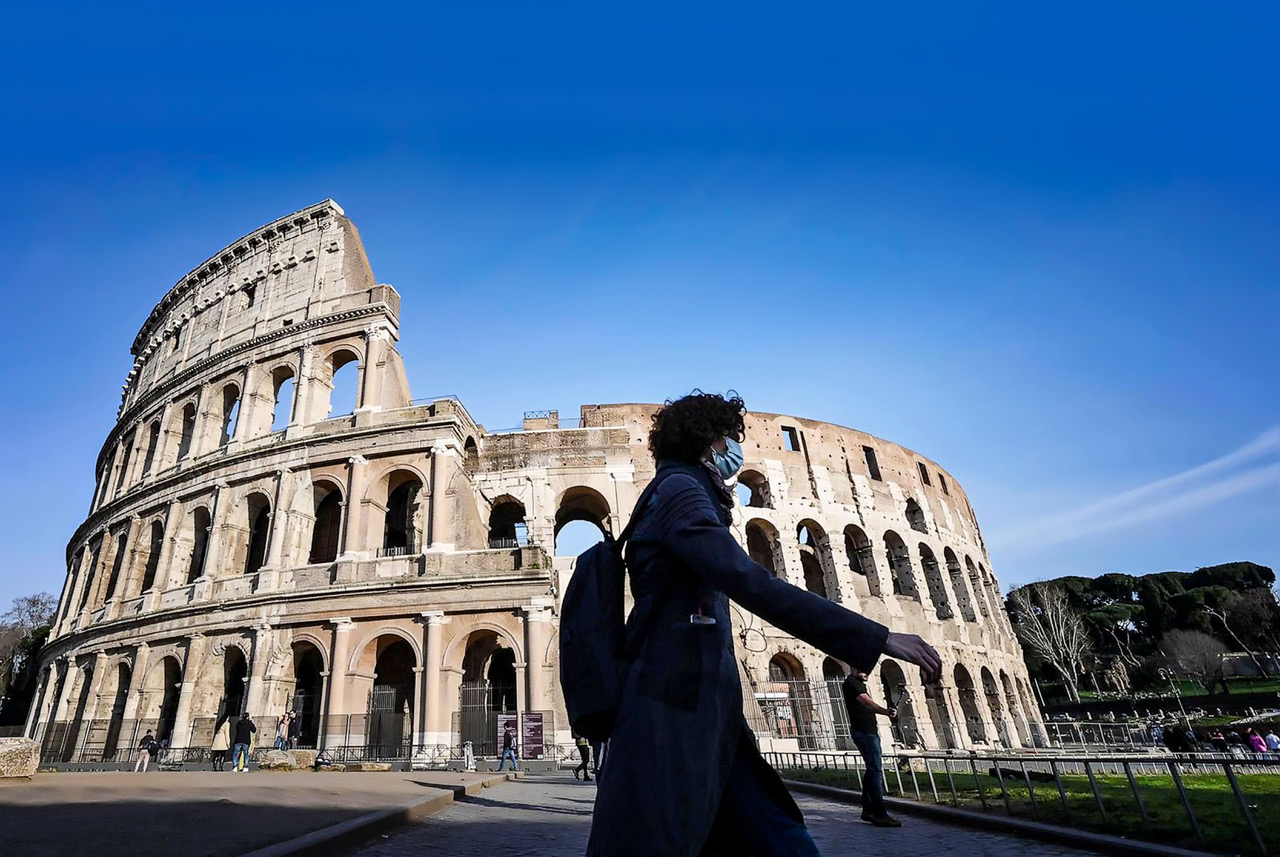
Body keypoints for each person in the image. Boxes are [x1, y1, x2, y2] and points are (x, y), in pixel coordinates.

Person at [586, 392, 941, 857]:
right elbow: (748, 580)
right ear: (710, 440)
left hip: (699, 703)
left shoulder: (677, 490)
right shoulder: (681, 493)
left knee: (776, 836)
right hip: (675, 700)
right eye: (732, 439)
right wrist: (877, 635)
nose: (738, 450)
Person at [841, 670, 900, 827]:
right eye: (863, 669)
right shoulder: (852, 683)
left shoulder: (858, 683)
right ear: (854, 667)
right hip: (864, 732)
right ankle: (880, 813)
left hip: (868, 731)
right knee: (875, 770)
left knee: (872, 769)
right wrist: (886, 712)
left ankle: (868, 810)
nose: (867, 673)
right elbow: (866, 702)